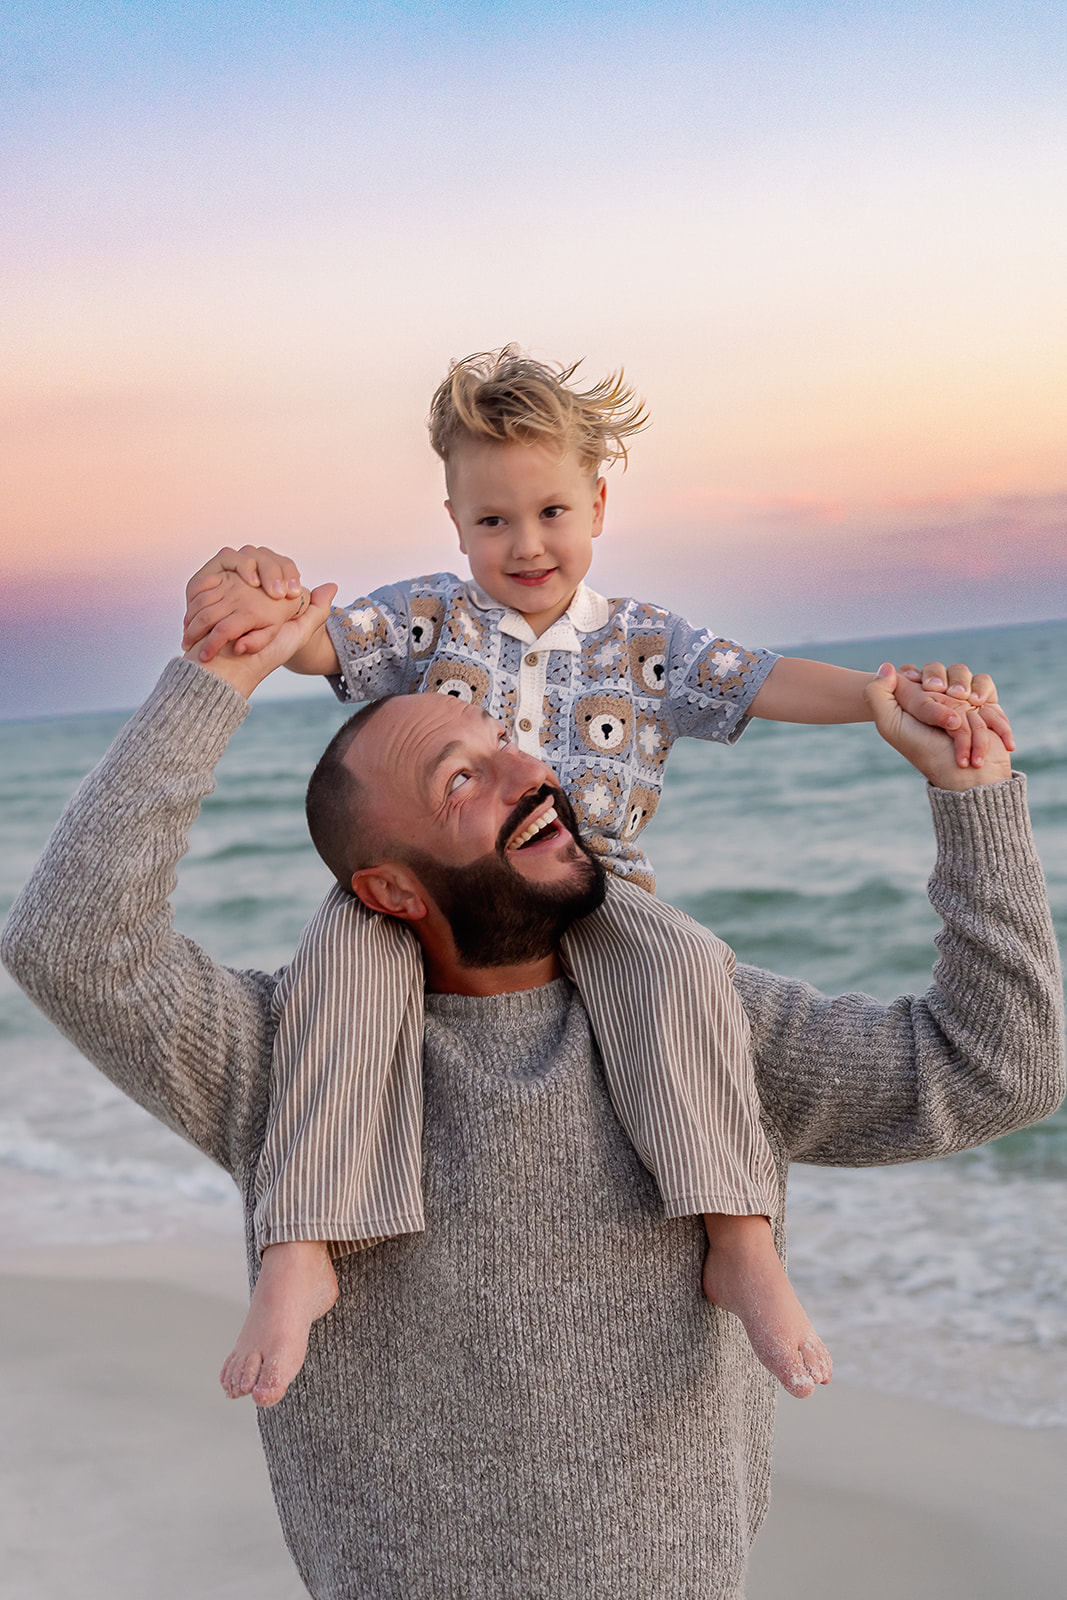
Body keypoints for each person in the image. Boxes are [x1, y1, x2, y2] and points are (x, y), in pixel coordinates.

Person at [2, 593, 1062, 1600]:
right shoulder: (288, 1060)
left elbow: (997, 1068)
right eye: (461, 778)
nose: (531, 770)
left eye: (506, 742)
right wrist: (217, 677)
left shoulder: (699, 1021)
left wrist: (969, 796)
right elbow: (68, 941)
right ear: (390, 890)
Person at [181, 347, 1015, 1408]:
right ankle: (300, 1244)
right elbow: (314, 646)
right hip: (432, 891)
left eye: (550, 512)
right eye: (493, 520)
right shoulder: (429, 616)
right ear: (454, 521)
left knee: (688, 972)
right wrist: (256, 597)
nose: (525, 543)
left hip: (597, 883)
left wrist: (881, 699)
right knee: (328, 982)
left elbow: (762, 681)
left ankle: (739, 1238)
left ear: (598, 506)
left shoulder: (644, 643)